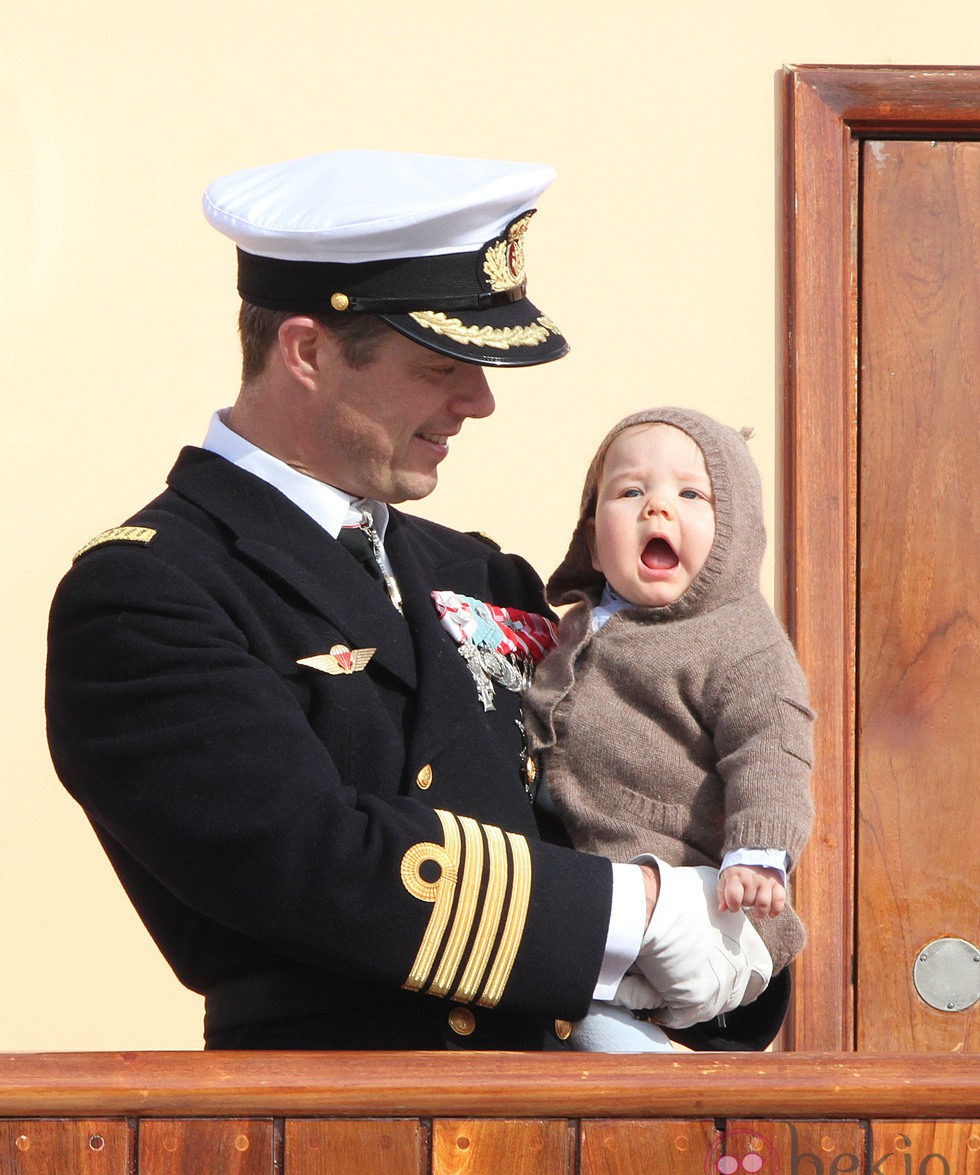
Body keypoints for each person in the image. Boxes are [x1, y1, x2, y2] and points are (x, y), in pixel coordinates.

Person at [46, 150, 785, 1051]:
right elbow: (307, 862)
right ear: (308, 351)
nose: (479, 401)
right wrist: (638, 912)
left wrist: (730, 916)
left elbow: (630, 784)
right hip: (346, 1129)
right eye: (442, 363)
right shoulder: (149, 591)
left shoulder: (484, 577)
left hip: (577, 1128)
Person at [524, 408, 815, 1051]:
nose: (658, 510)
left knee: (639, 985)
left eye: (691, 494)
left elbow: (773, 746)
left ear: (735, 530)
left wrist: (759, 853)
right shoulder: (580, 626)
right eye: (630, 493)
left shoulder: (739, 639)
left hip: (710, 899)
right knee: (587, 1020)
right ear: (595, 536)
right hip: (607, 911)